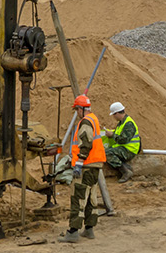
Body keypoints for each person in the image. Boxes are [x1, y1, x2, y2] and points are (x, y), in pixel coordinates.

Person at [60, 95, 106, 244]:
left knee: (78, 197)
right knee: (91, 197)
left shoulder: (85, 122)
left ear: (80, 109)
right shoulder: (94, 118)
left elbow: (86, 143)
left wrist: (79, 162)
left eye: (76, 110)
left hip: (86, 165)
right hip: (95, 165)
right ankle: (89, 228)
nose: (76, 113)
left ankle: (73, 232)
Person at [102, 102, 141, 183]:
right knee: (107, 151)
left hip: (129, 149)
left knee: (107, 153)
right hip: (125, 148)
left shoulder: (128, 124)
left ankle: (125, 171)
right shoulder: (122, 123)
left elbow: (124, 139)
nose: (113, 117)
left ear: (117, 113)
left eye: (113, 114)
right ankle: (126, 167)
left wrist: (112, 135)